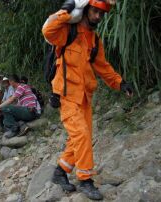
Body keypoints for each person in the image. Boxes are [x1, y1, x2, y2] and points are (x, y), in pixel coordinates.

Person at [42, 0, 133, 200]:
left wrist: (120, 83)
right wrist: (66, 11)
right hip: (66, 95)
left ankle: (60, 172)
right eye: (95, 11)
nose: (98, 17)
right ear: (85, 10)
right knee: (81, 135)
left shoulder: (94, 39)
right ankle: (85, 180)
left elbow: (103, 66)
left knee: (79, 139)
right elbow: (48, 30)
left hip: (85, 96)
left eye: (101, 14)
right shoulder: (67, 31)